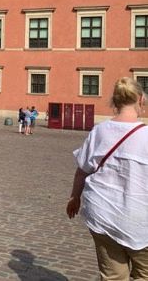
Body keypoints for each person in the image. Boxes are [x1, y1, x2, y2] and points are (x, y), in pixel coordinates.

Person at [67, 77, 148, 280]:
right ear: (141, 99)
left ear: (115, 101)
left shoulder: (100, 131)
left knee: (113, 277)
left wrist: (74, 197)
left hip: (103, 215)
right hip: (141, 219)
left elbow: (82, 170)